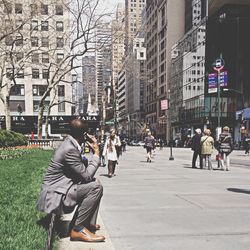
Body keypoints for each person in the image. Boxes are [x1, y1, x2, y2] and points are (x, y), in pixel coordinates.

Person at [36, 119, 105, 243]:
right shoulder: (70, 149)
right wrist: (96, 153)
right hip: (55, 195)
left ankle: (88, 223)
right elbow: (87, 176)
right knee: (95, 187)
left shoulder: (70, 144)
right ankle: (78, 229)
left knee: (96, 183)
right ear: (84, 135)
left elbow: (82, 171)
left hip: (60, 189)